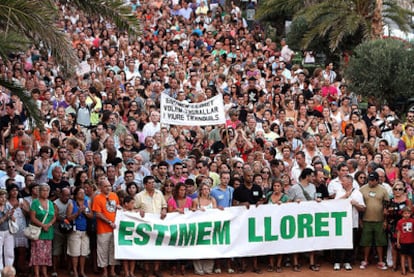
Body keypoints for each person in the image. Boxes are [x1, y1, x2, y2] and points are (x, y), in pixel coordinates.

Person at [134, 175, 167, 277]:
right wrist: (139, 211)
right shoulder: (139, 196)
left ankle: (156, 269)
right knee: (146, 247)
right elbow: (133, 208)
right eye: (150, 183)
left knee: (158, 246)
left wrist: (164, 210)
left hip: (158, 224)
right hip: (145, 225)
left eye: (153, 182)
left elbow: (164, 205)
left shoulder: (159, 193)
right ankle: (147, 269)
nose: (153, 184)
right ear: (145, 185)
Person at [332, 175, 366, 271]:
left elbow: (363, 208)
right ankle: (337, 262)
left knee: (351, 243)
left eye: (344, 181)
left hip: (352, 222)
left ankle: (348, 262)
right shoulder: (339, 192)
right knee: (338, 242)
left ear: (349, 182)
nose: (342, 183)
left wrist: (356, 204)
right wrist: (345, 196)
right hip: (340, 222)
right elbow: (333, 205)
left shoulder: (357, 193)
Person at [359, 171, 389, 270]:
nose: (371, 182)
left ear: (377, 180)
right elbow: (359, 205)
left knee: (380, 241)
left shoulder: (383, 190)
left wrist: (385, 220)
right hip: (366, 220)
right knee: (366, 241)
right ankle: (365, 260)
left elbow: (386, 204)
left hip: (379, 220)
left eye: (373, 180)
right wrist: (360, 220)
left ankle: (380, 261)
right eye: (369, 180)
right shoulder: (362, 189)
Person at [91, 179, 120, 277]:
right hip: (103, 229)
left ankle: (112, 270)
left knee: (113, 249)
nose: (108, 188)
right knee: (102, 250)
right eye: (105, 186)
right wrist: (109, 222)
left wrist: (120, 208)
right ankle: (104, 271)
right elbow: (98, 214)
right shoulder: (97, 198)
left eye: (109, 186)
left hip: (114, 228)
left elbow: (117, 208)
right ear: (100, 188)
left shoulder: (114, 196)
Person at [29, 184, 57, 277]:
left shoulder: (50, 203)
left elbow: (54, 217)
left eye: (47, 190)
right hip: (38, 231)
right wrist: (43, 225)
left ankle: (44, 272)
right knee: (37, 253)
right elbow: (32, 218)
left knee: (46, 254)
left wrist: (49, 225)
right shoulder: (35, 203)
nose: (45, 192)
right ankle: (37, 274)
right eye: (43, 190)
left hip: (48, 231)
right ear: (39, 191)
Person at [66, 187, 93, 277]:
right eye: (80, 193)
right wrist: (78, 213)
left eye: (83, 192)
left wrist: (85, 212)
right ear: (76, 195)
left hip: (85, 230)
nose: (83, 194)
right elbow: (68, 218)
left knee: (83, 253)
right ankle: (75, 271)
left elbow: (91, 216)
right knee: (75, 253)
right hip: (75, 230)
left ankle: (81, 271)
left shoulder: (87, 202)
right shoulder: (71, 204)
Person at [192, 183, 218, 275]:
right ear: (200, 190)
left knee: (210, 247)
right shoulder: (195, 200)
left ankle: (208, 269)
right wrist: (197, 211)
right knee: (198, 247)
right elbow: (192, 212)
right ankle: (198, 269)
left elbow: (215, 212)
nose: (206, 191)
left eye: (208, 189)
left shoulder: (213, 200)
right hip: (198, 228)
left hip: (211, 227)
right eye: (204, 189)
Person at [265, 179, 289, 272]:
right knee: (270, 244)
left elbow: (290, 207)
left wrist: (283, 205)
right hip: (269, 222)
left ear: (281, 187)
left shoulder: (285, 197)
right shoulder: (268, 195)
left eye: (278, 186)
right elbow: (263, 204)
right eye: (274, 186)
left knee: (280, 244)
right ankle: (271, 264)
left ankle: (278, 264)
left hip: (281, 223)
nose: (276, 188)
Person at [396, 206, 414, 275]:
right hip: (403, 242)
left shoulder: (412, 221)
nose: (407, 215)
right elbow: (399, 232)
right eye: (405, 213)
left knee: (410, 255)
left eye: (408, 213)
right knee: (403, 255)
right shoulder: (400, 222)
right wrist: (398, 242)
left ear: (411, 214)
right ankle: (403, 269)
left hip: (411, 241)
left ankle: (410, 268)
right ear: (402, 214)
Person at [121, 195, 136, 277]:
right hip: (124, 235)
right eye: (132, 203)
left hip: (133, 235)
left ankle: (131, 272)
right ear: (126, 204)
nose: (133, 205)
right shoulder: (121, 212)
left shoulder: (135, 213)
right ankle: (126, 272)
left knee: (132, 255)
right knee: (125, 255)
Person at [0, 189, 15, 272]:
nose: (3, 199)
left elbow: (13, 219)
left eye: (5, 197)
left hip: (8, 231)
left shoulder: (7, 205)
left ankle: (9, 272)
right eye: (1, 197)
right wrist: (6, 216)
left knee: (9, 253)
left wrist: (12, 216)